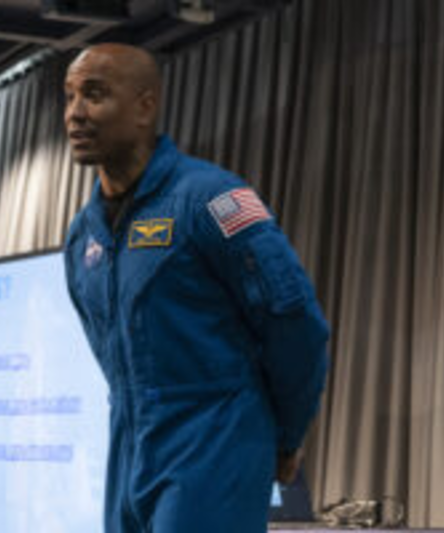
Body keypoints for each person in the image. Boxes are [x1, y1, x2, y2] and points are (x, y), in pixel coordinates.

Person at [63, 43, 330, 532]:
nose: (75, 113)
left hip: (215, 443)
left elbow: (295, 323)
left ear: (145, 107)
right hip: (130, 446)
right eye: (70, 96)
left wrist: (286, 435)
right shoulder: (84, 235)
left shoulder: (214, 200)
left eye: (95, 95)